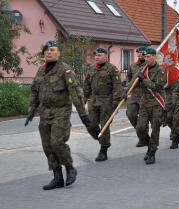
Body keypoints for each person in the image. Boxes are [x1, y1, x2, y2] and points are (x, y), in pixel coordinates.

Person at [26, 40, 99, 190]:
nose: (49, 52)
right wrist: (32, 109)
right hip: (45, 112)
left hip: (61, 112)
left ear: (58, 53)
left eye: (52, 50)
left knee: (57, 143)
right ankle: (57, 177)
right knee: (47, 146)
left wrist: (83, 115)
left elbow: (76, 93)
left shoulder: (65, 70)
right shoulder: (41, 71)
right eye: (46, 50)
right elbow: (34, 90)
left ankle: (70, 168)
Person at [84, 48, 123, 162]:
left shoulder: (112, 69)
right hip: (94, 100)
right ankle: (102, 139)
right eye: (95, 55)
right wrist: (83, 100)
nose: (97, 57)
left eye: (99, 55)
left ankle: (103, 150)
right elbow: (86, 85)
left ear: (106, 57)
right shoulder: (90, 69)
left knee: (104, 126)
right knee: (91, 124)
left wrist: (115, 103)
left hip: (107, 101)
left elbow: (117, 87)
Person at [134, 47, 167, 164]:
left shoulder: (161, 70)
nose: (146, 59)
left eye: (148, 57)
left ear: (154, 57)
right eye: (145, 57)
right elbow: (133, 83)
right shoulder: (142, 70)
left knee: (155, 129)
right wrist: (125, 91)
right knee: (140, 128)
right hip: (144, 102)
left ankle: (152, 152)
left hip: (155, 103)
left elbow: (158, 87)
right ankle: (149, 145)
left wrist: (144, 80)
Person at [124, 46, 148, 147]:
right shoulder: (133, 65)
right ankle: (141, 133)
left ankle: (143, 138)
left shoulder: (148, 65)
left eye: (141, 52)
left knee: (143, 118)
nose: (139, 54)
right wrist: (128, 86)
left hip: (145, 94)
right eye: (137, 52)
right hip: (134, 94)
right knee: (130, 114)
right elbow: (128, 76)